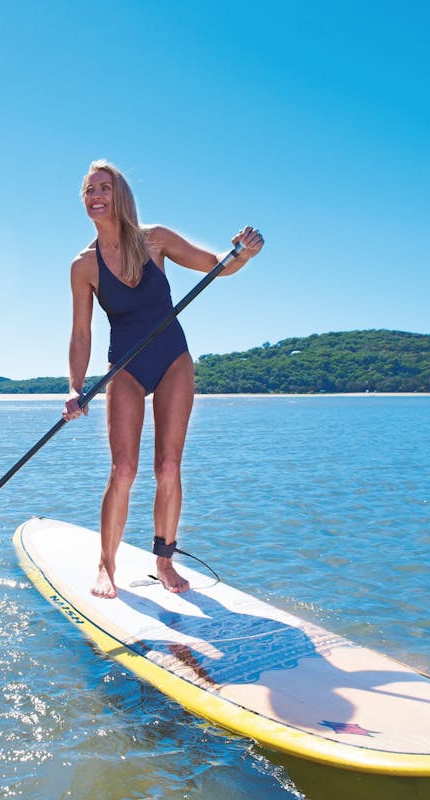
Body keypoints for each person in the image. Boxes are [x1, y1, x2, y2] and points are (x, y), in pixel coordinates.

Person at [63, 161, 263, 599]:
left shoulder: (155, 240)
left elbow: (215, 265)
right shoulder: (84, 266)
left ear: (120, 196)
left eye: (104, 188)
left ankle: (164, 561)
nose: (95, 195)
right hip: (126, 368)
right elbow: (82, 333)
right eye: (88, 190)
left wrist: (242, 255)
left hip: (172, 358)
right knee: (124, 469)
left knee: (168, 465)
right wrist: (76, 388)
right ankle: (106, 565)